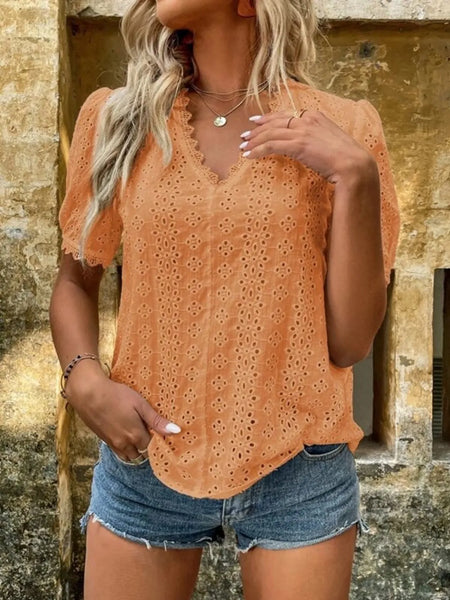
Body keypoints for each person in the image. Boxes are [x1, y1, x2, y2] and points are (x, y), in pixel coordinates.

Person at [49, 0, 400, 598]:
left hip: (300, 467)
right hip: (145, 460)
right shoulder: (119, 119)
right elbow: (75, 281)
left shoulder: (345, 128)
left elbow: (349, 343)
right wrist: (83, 379)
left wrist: (355, 176)